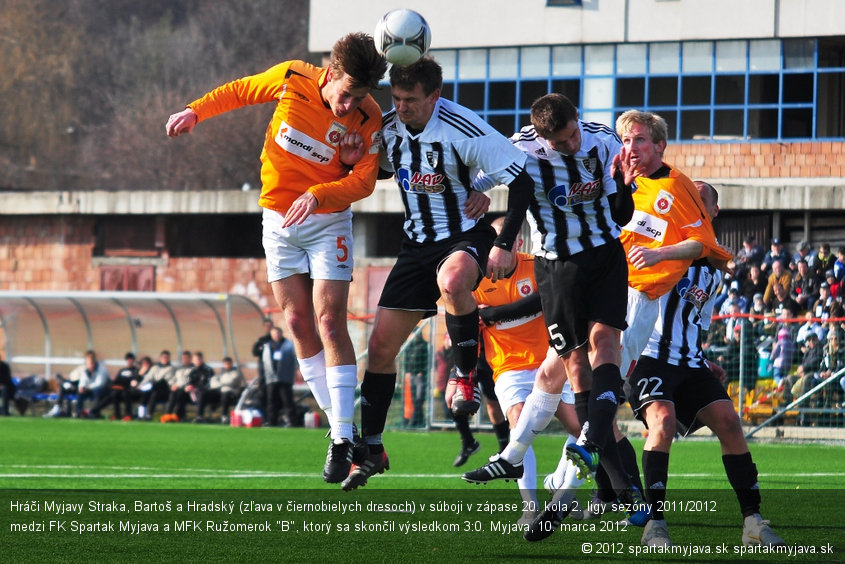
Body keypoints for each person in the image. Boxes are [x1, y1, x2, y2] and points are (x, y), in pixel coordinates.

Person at [166, 33, 387, 481]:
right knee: (299, 324)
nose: (349, 107)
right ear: (329, 73)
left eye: (358, 98)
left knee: (329, 322)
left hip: (328, 221)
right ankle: (344, 432)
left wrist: (321, 191)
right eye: (345, 95)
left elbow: (365, 182)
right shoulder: (292, 77)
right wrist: (196, 111)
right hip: (278, 220)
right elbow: (242, 89)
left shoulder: (369, 117)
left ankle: (343, 440)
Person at [344, 56, 535, 491]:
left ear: (435, 96)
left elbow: (521, 179)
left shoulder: (464, 127)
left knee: (452, 283)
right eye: (396, 98)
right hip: (415, 247)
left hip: (465, 236)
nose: (402, 107)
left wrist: (504, 243)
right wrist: (354, 160)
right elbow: (385, 168)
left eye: (411, 99)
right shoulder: (389, 127)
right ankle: (372, 447)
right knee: (378, 349)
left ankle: (464, 374)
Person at [460, 94, 644, 517]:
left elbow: (620, 215)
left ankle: (589, 457)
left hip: (604, 255)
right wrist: (476, 198)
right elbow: (486, 179)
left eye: (573, 134)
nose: (572, 145)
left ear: (579, 121)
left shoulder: (602, 142)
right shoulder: (519, 148)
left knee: (606, 347)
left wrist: (627, 183)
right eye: (561, 142)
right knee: (575, 368)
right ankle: (613, 483)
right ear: (542, 139)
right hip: (556, 267)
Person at [630, 180, 785, 549]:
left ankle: (753, 522)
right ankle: (655, 523)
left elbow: (695, 319)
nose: (690, 202)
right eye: (687, 197)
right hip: (648, 356)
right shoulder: (663, 242)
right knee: (662, 420)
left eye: (699, 200)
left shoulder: (715, 266)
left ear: (712, 211)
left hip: (689, 359)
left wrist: (703, 358)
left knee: (730, 422)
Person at [461, 217, 582, 524]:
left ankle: (560, 485)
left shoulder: (537, 265)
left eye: (508, 239)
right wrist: (462, 375)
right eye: (494, 241)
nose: (499, 247)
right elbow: (465, 325)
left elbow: (543, 301)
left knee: (581, 428)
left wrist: (492, 314)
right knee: (517, 424)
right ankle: (530, 506)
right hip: (508, 366)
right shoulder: (473, 278)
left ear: (518, 243)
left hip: (551, 360)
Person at [262, 326, 299, 427]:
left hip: (285, 377)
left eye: (278, 333)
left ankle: (291, 421)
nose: (276, 335)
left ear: (281, 333)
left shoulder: (289, 345)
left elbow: (295, 359)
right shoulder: (267, 345)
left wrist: (297, 371)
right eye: (274, 333)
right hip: (271, 377)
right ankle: (271, 421)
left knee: (287, 400)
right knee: (271, 401)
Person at [195, 357, 245, 424]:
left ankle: (224, 416)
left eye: (229, 364)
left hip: (230, 394)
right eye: (225, 364)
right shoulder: (220, 373)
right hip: (219, 392)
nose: (227, 365)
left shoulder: (235, 373)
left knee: (225, 394)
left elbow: (230, 381)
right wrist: (222, 384)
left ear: (231, 364)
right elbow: (212, 382)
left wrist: (220, 383)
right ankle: (199, 416)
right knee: (203, 393)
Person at [137, 350, 175, 420]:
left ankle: (148, 414)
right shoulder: (155, 368)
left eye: (167, 357)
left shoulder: (171, 368)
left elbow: (170, 380)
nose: (165, 359)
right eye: (164, 357)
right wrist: (141, 385)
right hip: (155, 389)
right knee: (148, 392)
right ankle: (142, 415)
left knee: (158, 385)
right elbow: (148, 377)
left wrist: (172, 385)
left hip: (165, 390)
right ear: (160, 358)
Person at [160, 351, 196, 423]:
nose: (185, 360)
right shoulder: (178, 369)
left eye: (186, 358)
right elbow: (173, 379)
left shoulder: (193, 369)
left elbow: (191, 381)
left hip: (189, 391)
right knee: (173, 393)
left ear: (190, 359)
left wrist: (184, 386)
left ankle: (178, 416)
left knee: (180, 394)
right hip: (178, 389)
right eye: (183, 358)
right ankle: (168, 415)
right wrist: (173, 385)